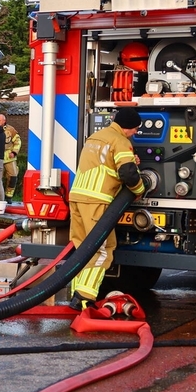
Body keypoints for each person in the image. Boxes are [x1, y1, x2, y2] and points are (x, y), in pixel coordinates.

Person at [68, 107, 147, 310]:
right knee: (102, 251)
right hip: (97, 201)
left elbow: (105, 164)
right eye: (135, 129)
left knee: (82, 249)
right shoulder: (121, 141)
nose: (135, 133)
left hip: (77, 197)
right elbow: (128, 174)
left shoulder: (96, 137)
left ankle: (75, 295)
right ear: (127, 127)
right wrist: (139, 189)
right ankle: (84, 298)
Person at [0, 113, 22, 200]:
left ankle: (9, 196)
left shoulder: (11, 130)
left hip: (9, 158)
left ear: (4, 121)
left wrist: (14, 152)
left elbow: (17, 141)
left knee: (13, 176)